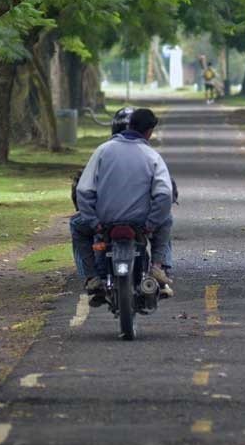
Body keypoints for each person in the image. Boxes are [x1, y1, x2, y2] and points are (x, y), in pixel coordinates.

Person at [71, 107, 175, 300]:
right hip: (140, 222)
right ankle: (159, 267)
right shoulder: (152, 156)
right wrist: (151, 223)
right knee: (166, 220)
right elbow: (164, 196)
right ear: (149, 132)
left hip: (105, 221)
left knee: (76, 225)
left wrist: (94, 222)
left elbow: (83, 191)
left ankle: (91, 277)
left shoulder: (102, 151)